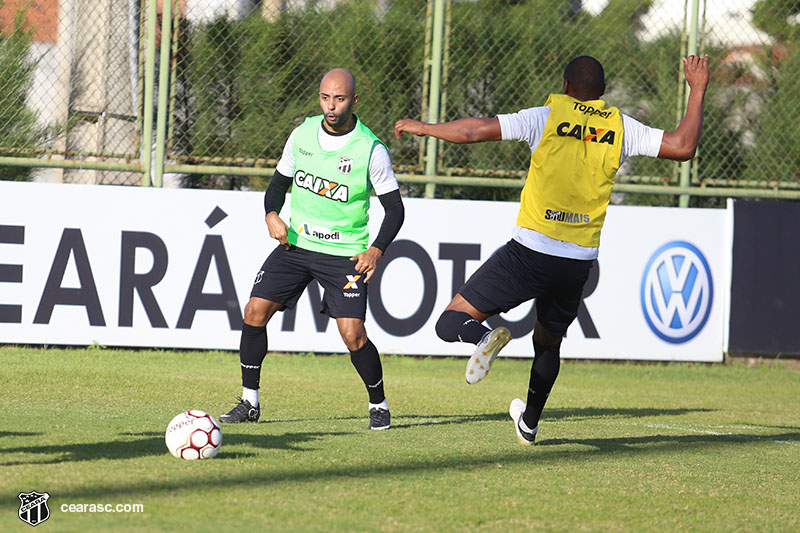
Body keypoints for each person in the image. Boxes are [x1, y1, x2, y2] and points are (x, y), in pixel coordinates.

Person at [394, 55, 709, 444]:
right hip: (576, 263)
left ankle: (481, 337)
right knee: (547, 342)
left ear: (564, 86)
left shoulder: (546, 115)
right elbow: (683, 146)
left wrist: (426, 128)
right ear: (603, 94)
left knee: (448, 322)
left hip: (529, 253)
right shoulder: (621, 127)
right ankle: (530, 423)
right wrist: (696, 88)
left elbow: (475, 131)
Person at [221, 68, 404, 430]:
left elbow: (395, 210)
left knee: (353, 334)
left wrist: (376, 250)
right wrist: (271, 213)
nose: (331, 106)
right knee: (254, 312)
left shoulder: (371, 149)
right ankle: (249, 401)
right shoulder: (302, 134)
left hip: (344, 254)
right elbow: (277, 184)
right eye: (325, 98)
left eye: (339, 99)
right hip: (297, 245)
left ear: (354, 100)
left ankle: (379, 404)